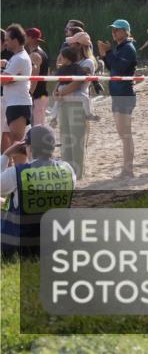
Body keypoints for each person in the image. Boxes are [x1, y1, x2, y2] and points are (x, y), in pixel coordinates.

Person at [0, 125, 75, 257]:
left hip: (24, 246)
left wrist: (7, 154)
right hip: (57, 243)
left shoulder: (17, 173)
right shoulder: (68, 170)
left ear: (29, 148)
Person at [97, 20, 138, 178]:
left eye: (117, 30)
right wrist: (105, 54)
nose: (114, 32)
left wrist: (107, 52)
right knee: (123, 133)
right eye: (112, 30)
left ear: (126, 31)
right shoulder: (121, 47)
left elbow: (120, 68)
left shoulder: (128, 48)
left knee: (125, 134)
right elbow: (111, 67)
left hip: (125, 95)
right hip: (118, 95)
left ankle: (128, 169)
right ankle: (127, 168)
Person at [53, 46, 88, 179]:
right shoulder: (61, 69)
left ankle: (78, 173)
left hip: (75, 105)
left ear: (66, 57)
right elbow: (57, 84)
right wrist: (56, 93)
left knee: (76, 138)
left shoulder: (77, 68)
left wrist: (61, 92)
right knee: (65, 138)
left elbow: (77, 83)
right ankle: (67, 170)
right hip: (63, 104)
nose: (59, 58)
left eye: (61, 55)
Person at [2, 25, 34, 148]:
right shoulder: (16, 57)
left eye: (7, 39)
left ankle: (21, 168)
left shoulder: (20, 58)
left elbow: (3, 80)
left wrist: (6, 77)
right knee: (11, 142)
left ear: (15, 40)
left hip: (18, 104)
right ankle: (8, 167)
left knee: (18, 145)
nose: (5, 43)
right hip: (14, 103)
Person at [24, 29, 48, 127]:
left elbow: (34, 77)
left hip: (36, 96)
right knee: (38, 126)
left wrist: (29, 94)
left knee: (36, 128)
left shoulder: (35, 55)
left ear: (31, 38)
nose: (24, 38)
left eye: (26, 36)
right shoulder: (42, 53)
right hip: (42, 94)